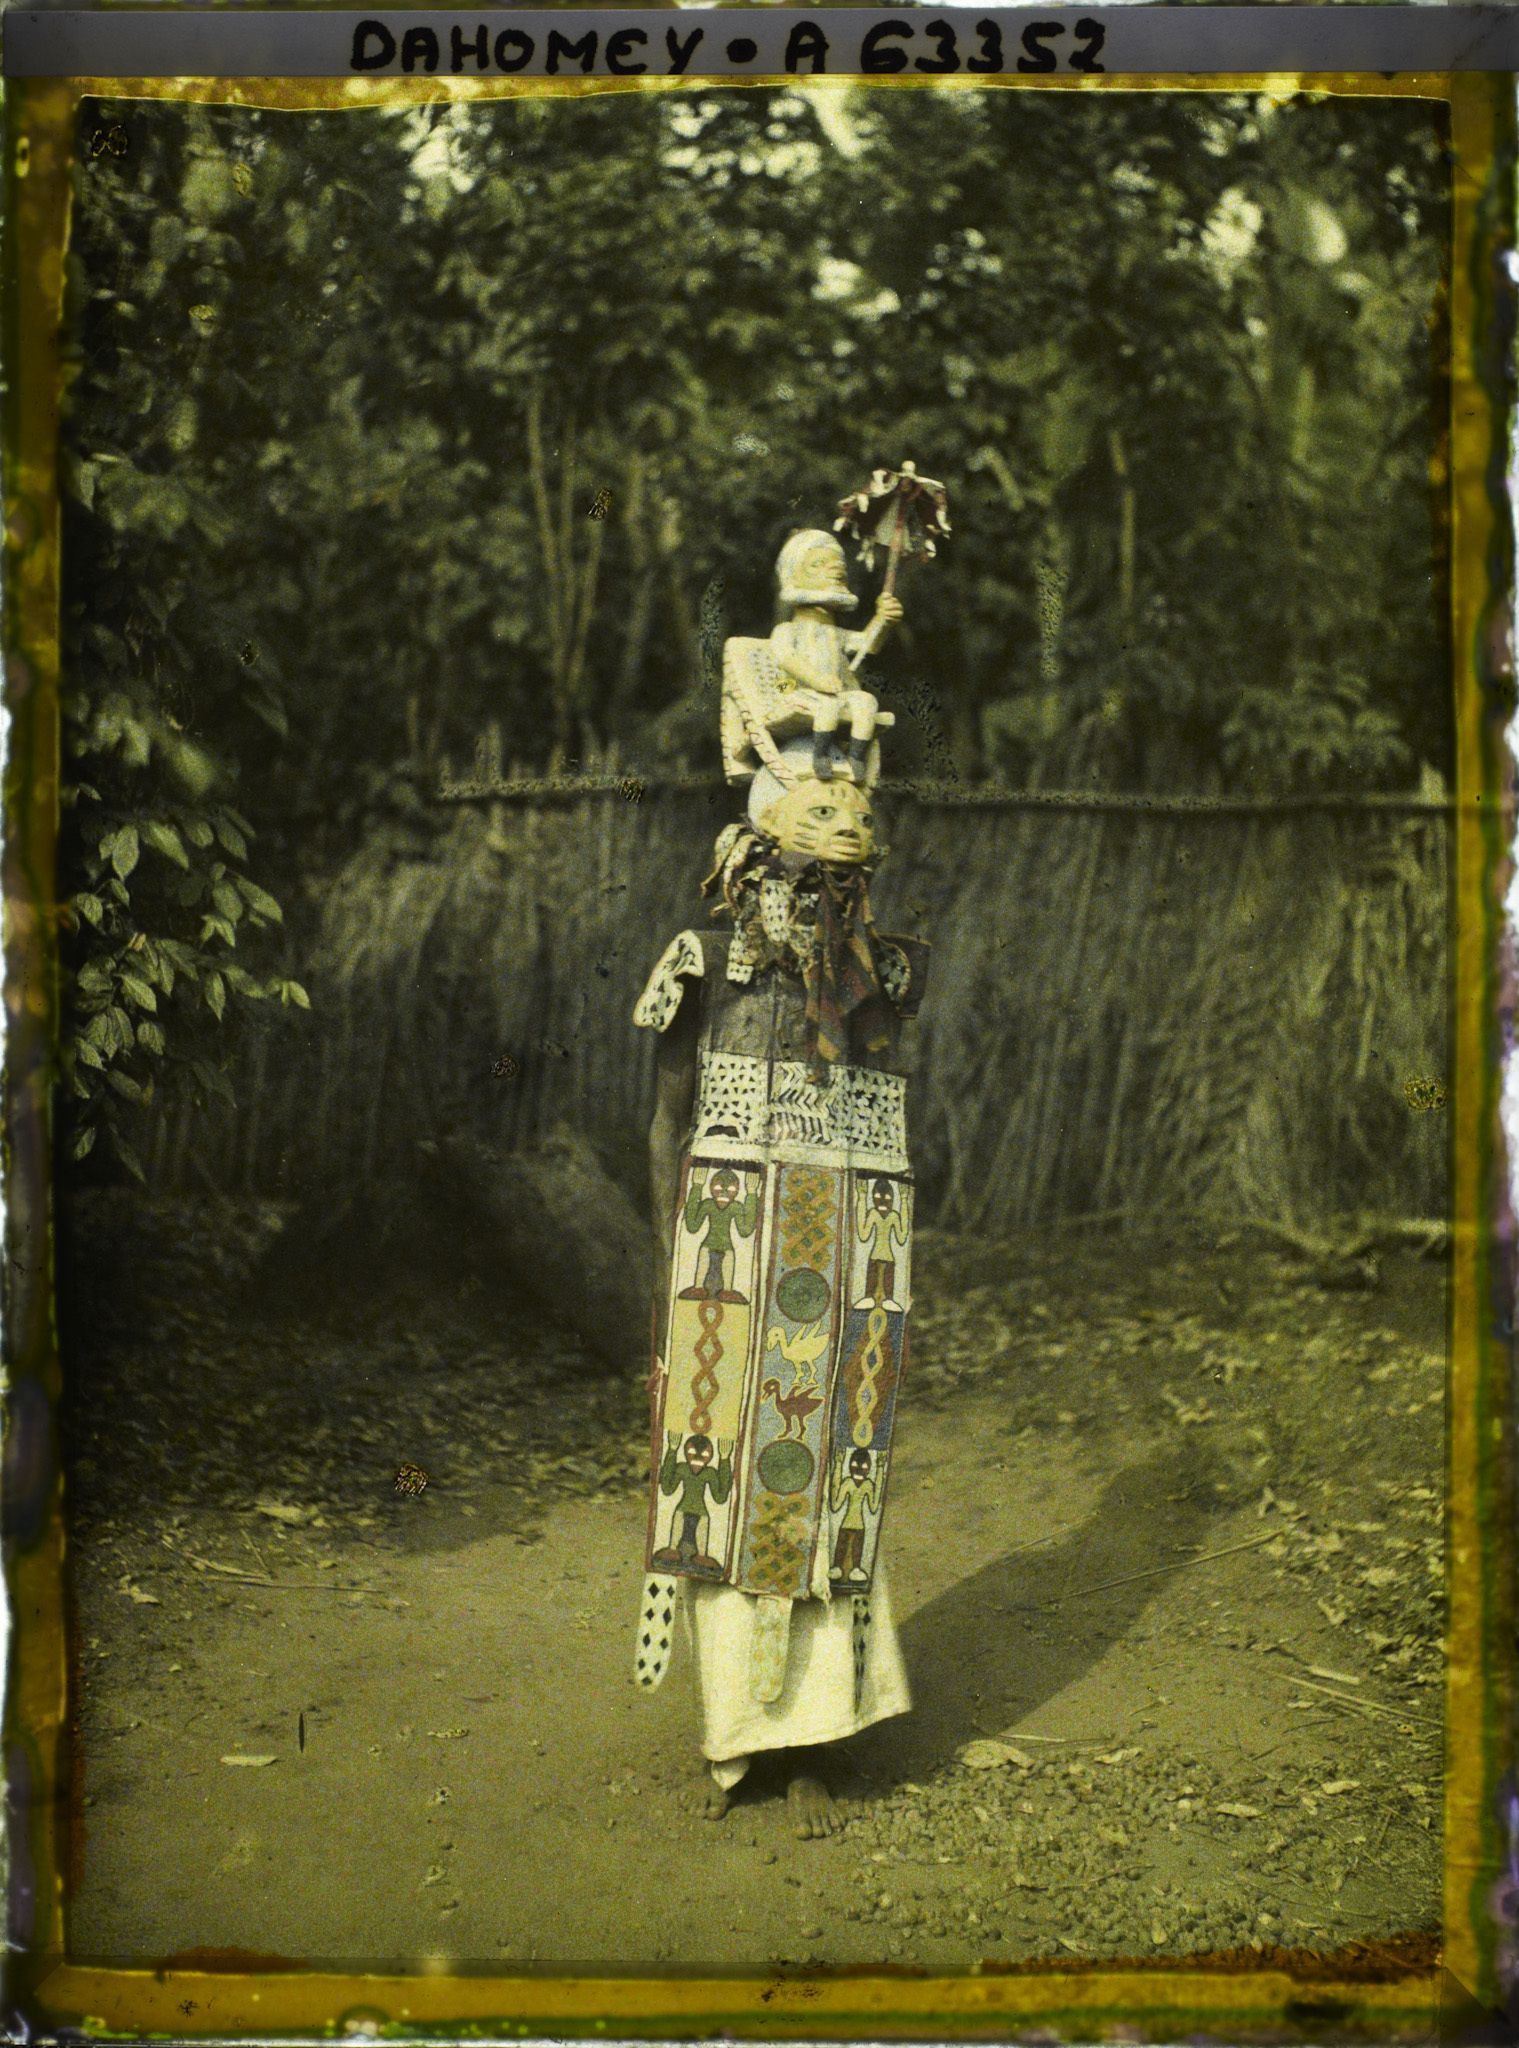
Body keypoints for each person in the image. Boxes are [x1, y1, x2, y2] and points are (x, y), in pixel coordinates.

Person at [633, 734, 926, 1838]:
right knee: (721, 1489)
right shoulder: (701, 967)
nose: (819, 908)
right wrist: (671, 1275)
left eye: (840, 889)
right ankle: (742, 1741)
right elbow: (665, 1123)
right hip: (723, 1262)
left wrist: (883, 1274)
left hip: (837, 1257)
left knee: (828, 1482)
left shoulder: (878, 982)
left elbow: (893, 1128)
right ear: (750, 870)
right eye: (802, 885)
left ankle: (818, 1740)